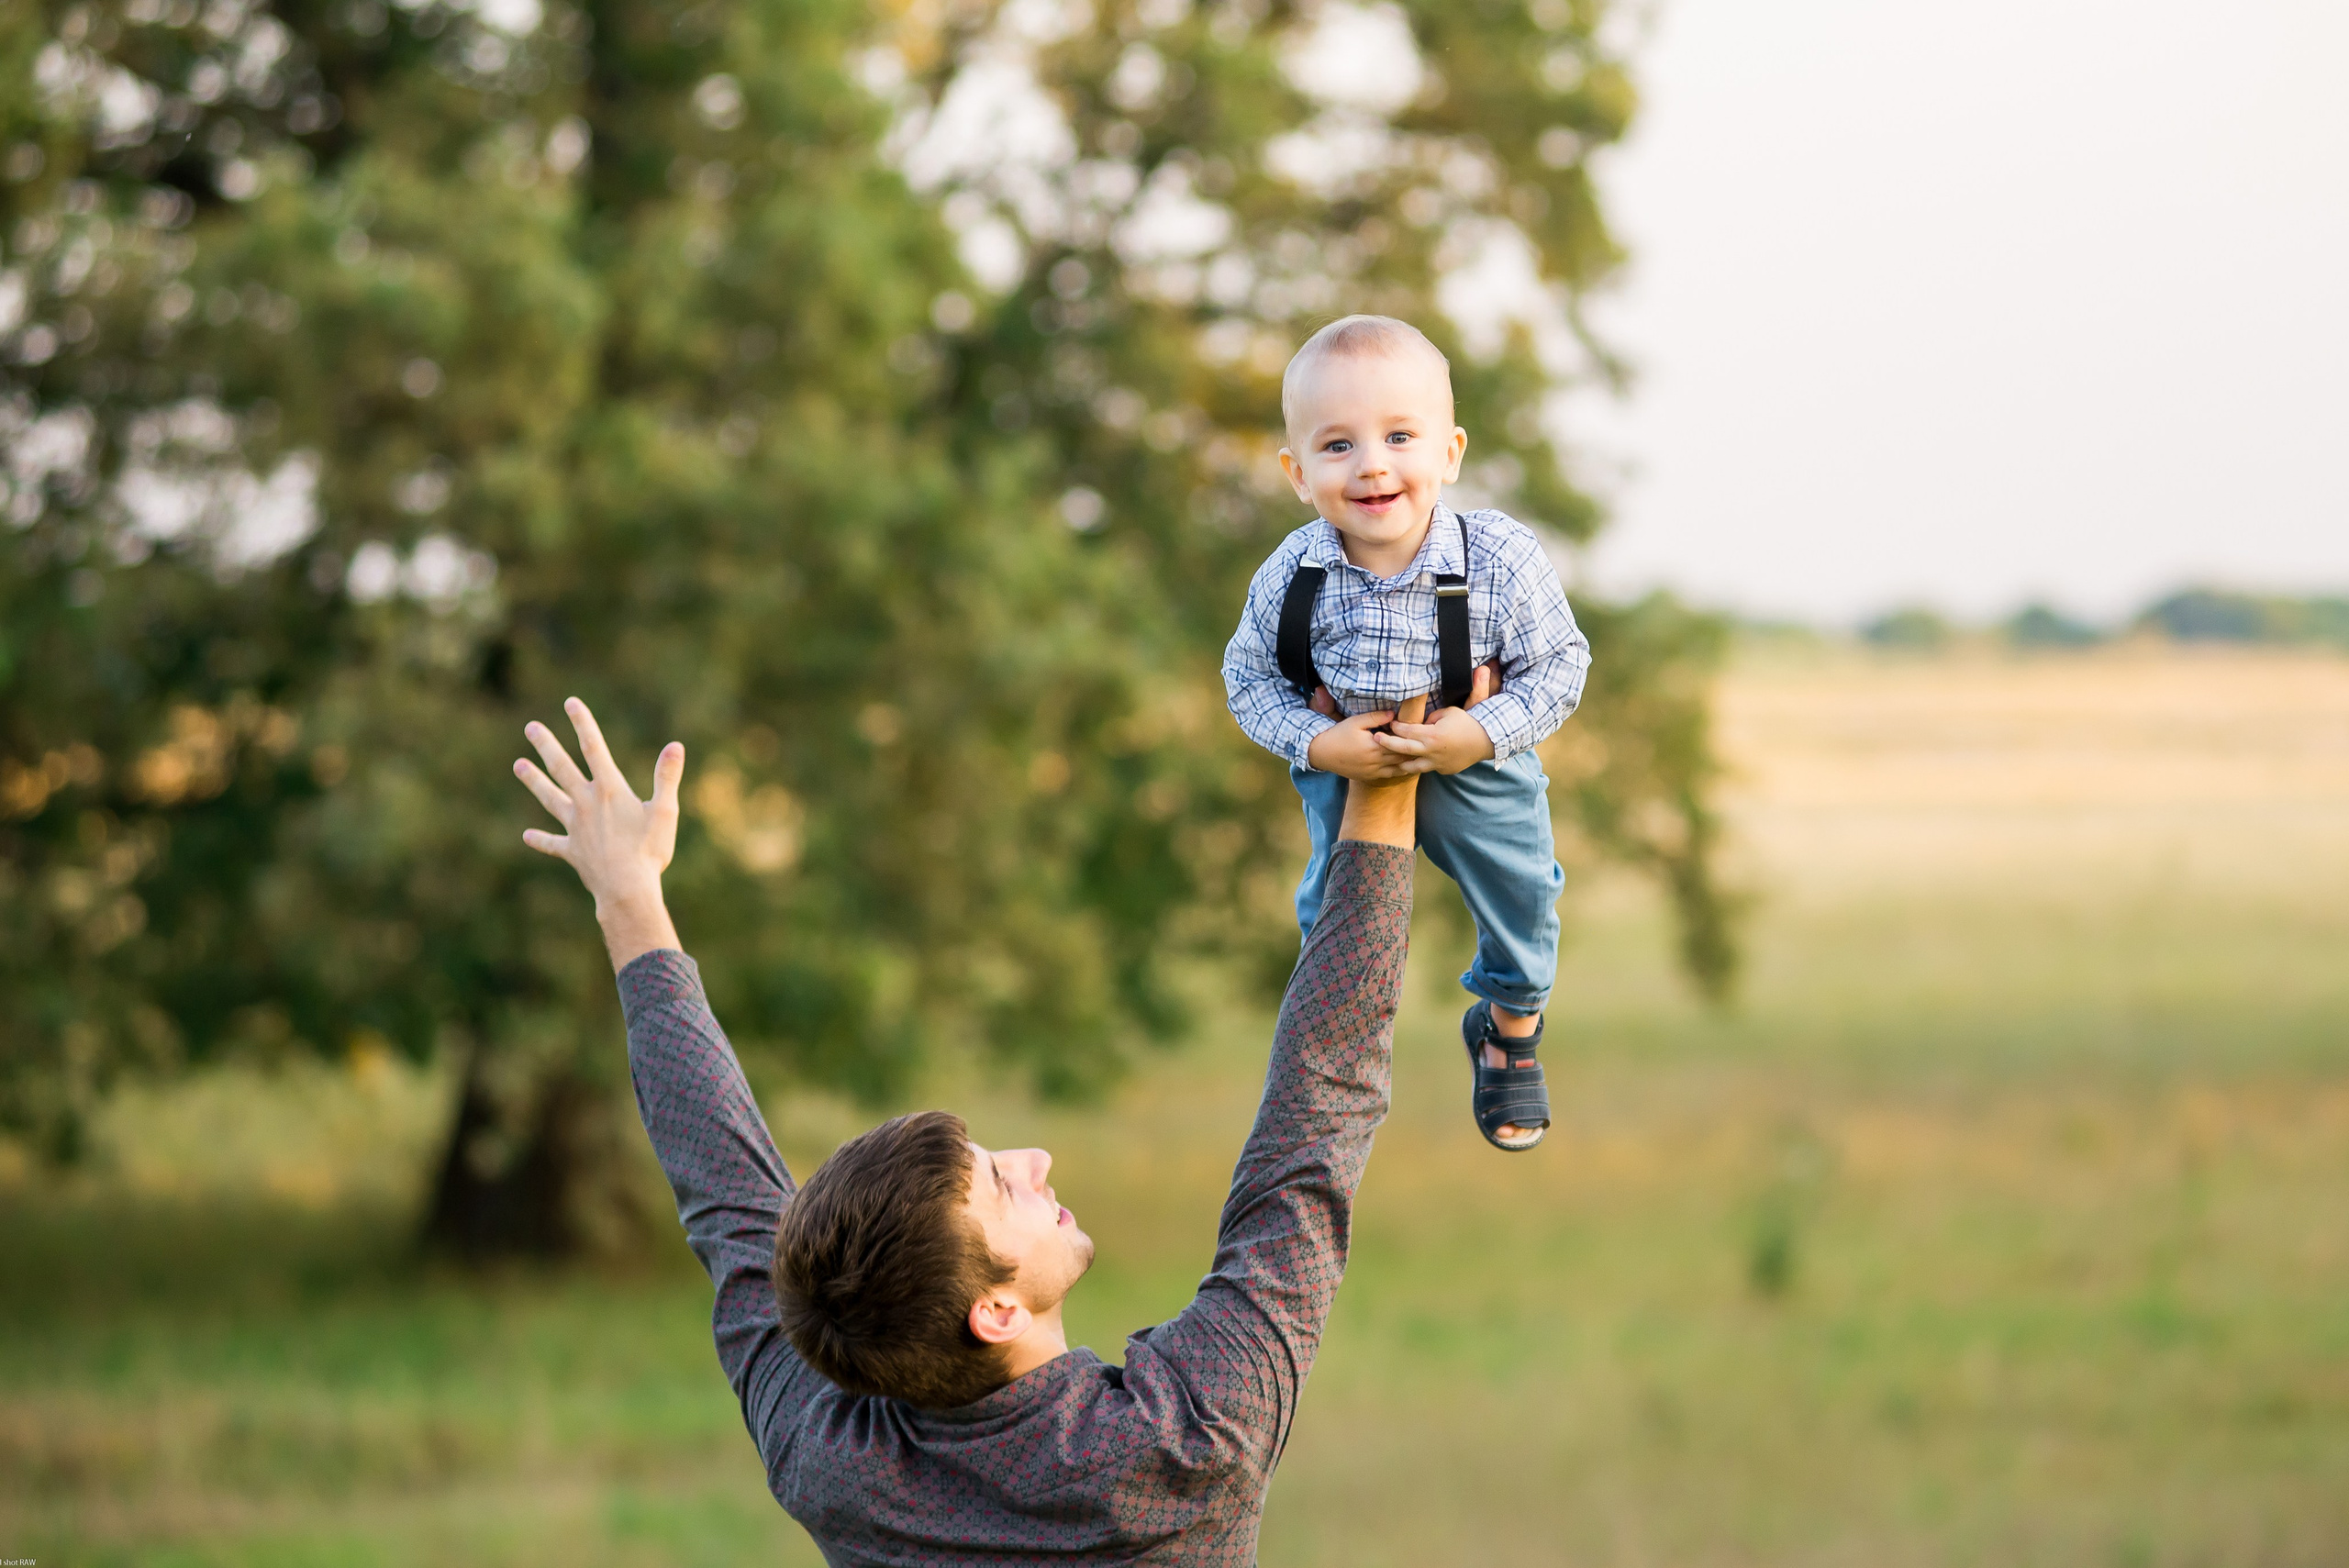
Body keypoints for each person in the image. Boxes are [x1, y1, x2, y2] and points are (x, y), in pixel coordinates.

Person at [510, 695, 1424, 1563]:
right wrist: (1389, 774)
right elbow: (1310, 1125)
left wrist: (628, 895)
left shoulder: (831, 1462)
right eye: (1000, 1184)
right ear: (994, 1311)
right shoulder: (1185, 1440)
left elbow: (727, 1195)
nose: (1037, 1158)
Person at [1222, 314, 1593, 1151]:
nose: (1374, 465)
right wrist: (1317, 744)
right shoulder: (1293, 572)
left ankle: (1509, 1025)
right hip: (1347, 757)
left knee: (1526, 894)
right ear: (1297, 470)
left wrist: (1481, 732)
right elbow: (1247, 679)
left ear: (1450, 452)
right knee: (1334, 919)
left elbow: (1562, 664)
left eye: (1399, 436)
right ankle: (1338, 1064)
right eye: (1339, 445)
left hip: (1471, 757)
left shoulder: (1496, 556)